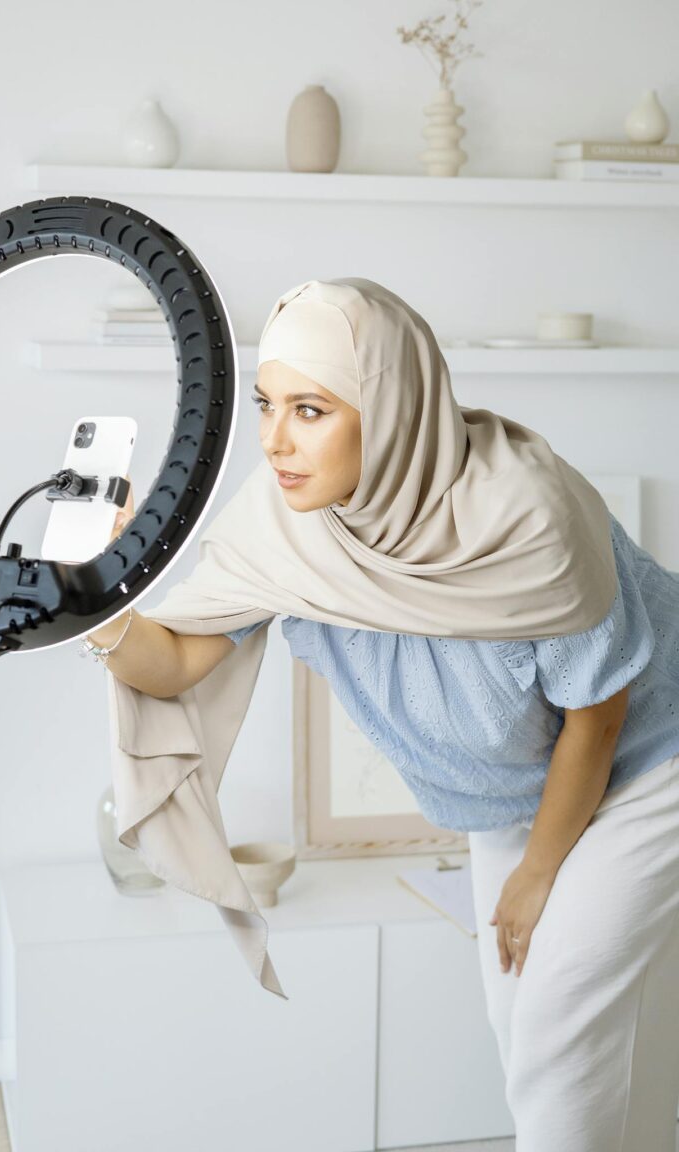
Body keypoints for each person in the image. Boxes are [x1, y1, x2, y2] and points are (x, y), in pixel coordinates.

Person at [85, 278, 679, 1152]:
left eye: (312, 410)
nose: (277, 442)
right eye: (267, 406)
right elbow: (172, 664)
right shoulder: (286, 525)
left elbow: (598, 716)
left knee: (557, 1027)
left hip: (648, 760)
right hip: (521, 791)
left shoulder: (528, 516)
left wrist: (534, 873)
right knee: (525, 1022)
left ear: (391, 407)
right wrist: (95, 599)